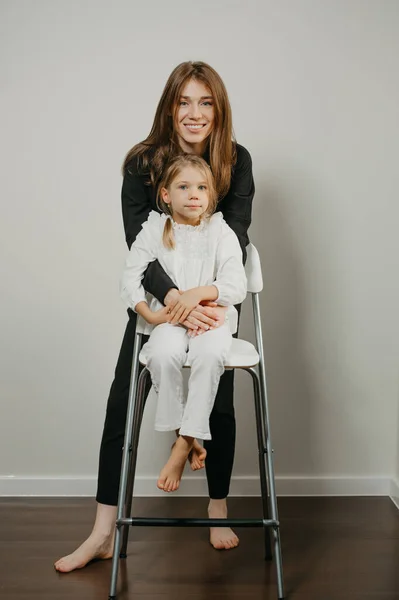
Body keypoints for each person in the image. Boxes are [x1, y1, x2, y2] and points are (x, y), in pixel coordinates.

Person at [54, 60, 254, 573]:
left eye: (205, 102)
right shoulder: (141, 164)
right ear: (170, 105)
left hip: (212, 306)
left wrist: (199, 303)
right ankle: (102, 533)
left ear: (219, 109)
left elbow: (237, 237)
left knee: (221, 399)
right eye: (184, 101)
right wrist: (173, 305)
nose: (194, 113)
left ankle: (217, 510)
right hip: (160, 305)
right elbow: (139, 248)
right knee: (122, 404)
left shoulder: (236, 160)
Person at [120, 155, 247, 492]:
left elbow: (236, 283)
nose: (194, 194)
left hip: (212, 319)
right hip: (171, 321)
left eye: (202, 187)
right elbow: (131, 276)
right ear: (165, 194)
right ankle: (186, 435)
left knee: (208, 357)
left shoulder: (220, 230)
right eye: (184, 186)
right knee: (160, 356)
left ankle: (182, 443)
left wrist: (198, 295)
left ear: (211, 195)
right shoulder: (154, 228)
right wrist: (148, 314)